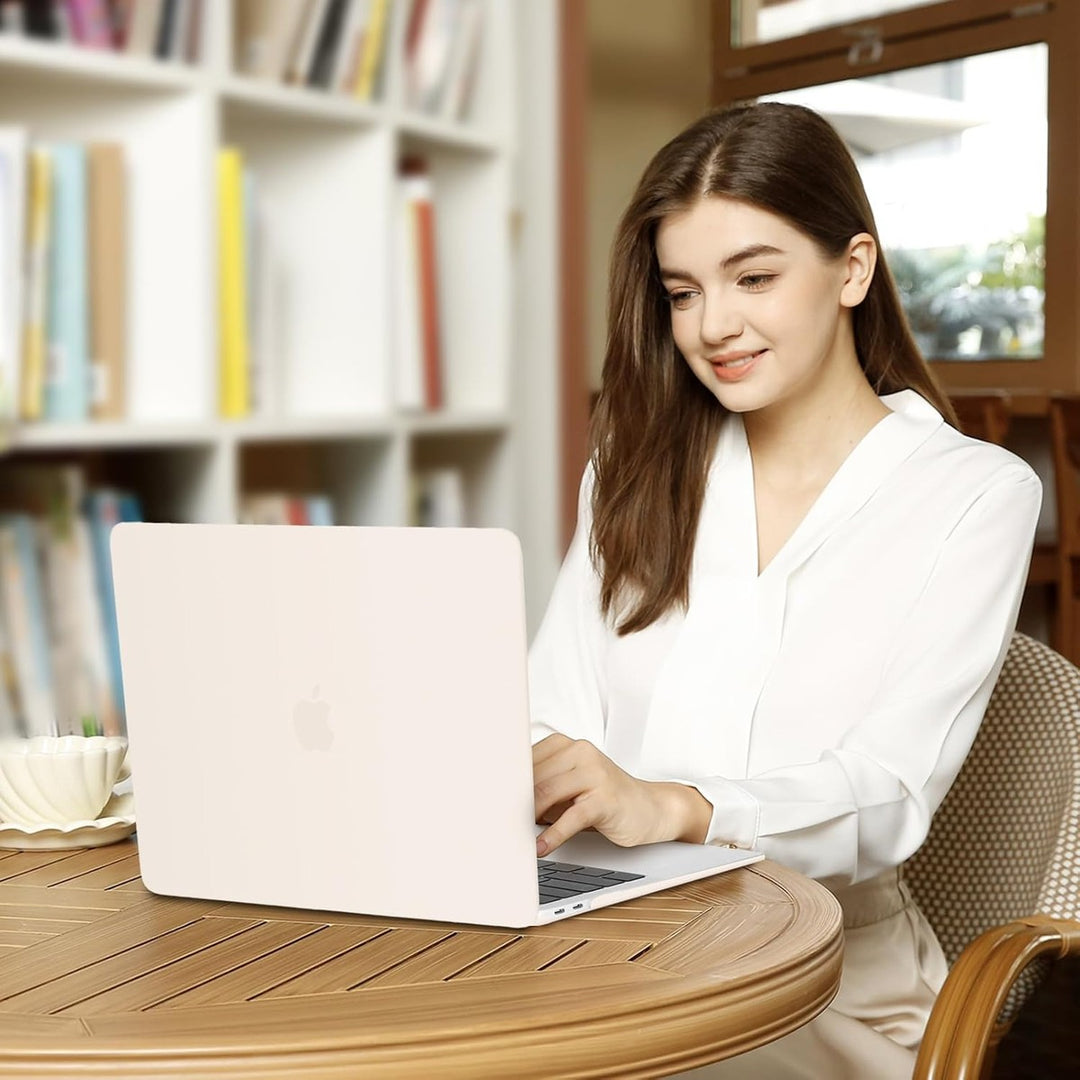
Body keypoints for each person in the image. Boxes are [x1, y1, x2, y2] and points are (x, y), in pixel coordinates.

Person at [527, 101, 1042, 1079]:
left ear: (852, 269)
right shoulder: (635, 472)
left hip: (822, 991)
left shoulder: (972, 496)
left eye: (754, 277)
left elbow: (887, 794)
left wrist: (673, 805)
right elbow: (548, 711)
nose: (713, 326)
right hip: (603, 949)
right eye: (683, 292)